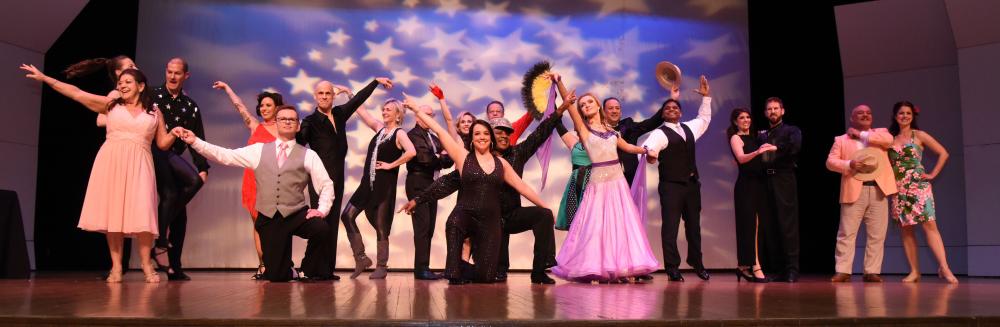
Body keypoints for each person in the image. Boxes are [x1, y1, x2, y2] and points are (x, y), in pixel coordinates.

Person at [21, 64, 178, 283]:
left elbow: (162, 143)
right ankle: (116, 267)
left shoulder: (154, 111)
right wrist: (45, 78)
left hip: (141, 164)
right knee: (114, 214)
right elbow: (77, 93)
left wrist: (175, 133)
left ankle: (146, 264)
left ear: (141, 86)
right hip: (112, 161)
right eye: (120, 83)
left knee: (143, 213)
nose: (122, 85)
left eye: (128, 82)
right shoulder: (111, 105)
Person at [401, 84, 570, 284]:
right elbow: (446, 177)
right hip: (477, 217)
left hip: (502, 217)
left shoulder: (511, 158)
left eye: (506, 132)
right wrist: (418, 199)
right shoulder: (467, 159)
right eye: (497, 132)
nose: (502, 135)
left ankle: (536, 271)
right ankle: (460, 269)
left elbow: (526, 179)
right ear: (480, 138)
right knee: (465, 238)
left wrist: (546, 207)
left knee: (541, 217)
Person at [177, 105, 335, 282]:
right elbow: (225, 155)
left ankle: (307, 269)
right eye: (283, 119)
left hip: (295, 214)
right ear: (276, 123)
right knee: (276, 276)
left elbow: (326, 184)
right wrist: (195, 141)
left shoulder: (308, 155)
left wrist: (321, 210)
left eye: (292, 119)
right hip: (269, 218)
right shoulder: (258, 150)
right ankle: (288, 271)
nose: (287, 122)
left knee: (321, 229)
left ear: (298, 126)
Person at [552, 75, 659, 283]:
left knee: (619, 226)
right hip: (598, 184)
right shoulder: (584, 130)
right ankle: (596, 266)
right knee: (596, 228)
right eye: (583, 105)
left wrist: (646, 150)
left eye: (589, 102)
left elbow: (628, 147)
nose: (586, 106)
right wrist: (559, 83)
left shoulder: (612, 131)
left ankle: (618, 267)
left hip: (617, 184)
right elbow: (570, 106)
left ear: (598, 105)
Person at [296, 77, 393, 279]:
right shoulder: (309, 121)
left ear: (333, 96)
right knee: (320, 222)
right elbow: (299, 143)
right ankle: (311, 268)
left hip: (337, 178)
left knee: (332, 224)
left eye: (328, 93)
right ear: (315, 97)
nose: (324, 96)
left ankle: (326, 270)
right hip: (320, 179)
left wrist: (375, 82)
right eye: (321, 93)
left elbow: (357, 100)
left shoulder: (339, 114)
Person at [641, 75, 714, 282]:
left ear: (681, 112)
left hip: (691, 185)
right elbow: (648, 152)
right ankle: (672, 267)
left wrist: (706, 98)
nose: (672, 109)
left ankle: (697, 263)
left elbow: (704, 119)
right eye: (667, 108)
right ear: (663, 114)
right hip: (671, 186)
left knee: (694, 226)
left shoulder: (690, 128)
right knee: (670, 227)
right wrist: (651, 157)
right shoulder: (659, 133)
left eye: (675, 107)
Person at [212, 80, 283, 279]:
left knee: (276, 225)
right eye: (262, 105)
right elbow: (239, 106)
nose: (264, 108)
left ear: (277, 108)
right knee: (258, 225)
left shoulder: (285, 128)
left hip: (275, 182)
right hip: (253, 181)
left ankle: (277, 264)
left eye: (268, 105)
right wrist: (227, 88)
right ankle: (263, 266)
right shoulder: (255, 125)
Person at [148, 57, 209, 281]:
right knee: (186, 185)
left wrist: (203, 167)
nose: (172, 77)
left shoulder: (190, 106)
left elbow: (197, 138)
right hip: (153, 154)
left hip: (172, 159)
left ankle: (174, 267)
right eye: (170, 72)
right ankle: (160, 236)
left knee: (180, 215)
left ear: (186, 76)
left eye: (177, 73)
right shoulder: (151, 96)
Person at [341, 99, 416, 279]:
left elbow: (411, 152)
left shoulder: (399, 133)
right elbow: (363, 112)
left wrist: (391, 165)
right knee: (347, 215)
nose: (384, 112)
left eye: (388, 110)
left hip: (384, 186)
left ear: (398, 115)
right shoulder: (379, 129)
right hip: (367, 184)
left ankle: (382, 266)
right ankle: (361, 258)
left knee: (381, 226)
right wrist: (350, 94)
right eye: (383, 109)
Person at [887, 101, 958, 283]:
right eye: (901, 113)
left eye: (908, 113)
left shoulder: (919, 135)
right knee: (906, 230)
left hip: (918, 186)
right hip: (899, 188)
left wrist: (933, 173)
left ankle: (944, 267)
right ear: (895, 116)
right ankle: (914, 271)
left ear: (913, 116)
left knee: (930, 226)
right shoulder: (889, 138)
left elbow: (943, 153)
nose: (905, 116)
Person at [826, 105, 897, 283]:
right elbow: (830, 162)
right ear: (852, 118)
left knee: (877, 234)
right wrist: (849, 164)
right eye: (860, 113)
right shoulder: (841, 140)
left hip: (878, 188)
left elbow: (889, 141)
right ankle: (843, 270)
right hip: (854, 187)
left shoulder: (881, 134)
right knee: (847, 233)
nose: (865, 115)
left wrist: (860, 135)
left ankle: (872, 271)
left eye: (868, 113)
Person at [404, 102, 454, 280]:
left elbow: (449, 160)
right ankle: (421, 269)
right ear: (417, 117)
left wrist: (440, 157)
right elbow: (425, 159)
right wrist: (440, 156)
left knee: (429, 228)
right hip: (418, 182)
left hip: (431, 183)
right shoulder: (412, 135)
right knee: (422, 227)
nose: (428, 118)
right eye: (425, 114)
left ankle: (424, 267)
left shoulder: (432, 137)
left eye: (431, 115)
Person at [758, 97, 803, 282]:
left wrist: (775, 148)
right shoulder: (761, 135)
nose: (773, 111)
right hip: (764, 180)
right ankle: (778, 269)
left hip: (783, 178)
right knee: (770, 225)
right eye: (769, 109)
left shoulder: (791, 130)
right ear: (765, 113)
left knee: (787, 224)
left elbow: (795, 147)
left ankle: (792, 269)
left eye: (776, 108)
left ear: (782, 111)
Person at [727, 107, 774, 283]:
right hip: (746, 185)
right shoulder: (735, 137)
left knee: (758, 226)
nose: (746, 120)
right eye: (742, 118)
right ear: (735, 121)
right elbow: (741, 158)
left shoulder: (756, 138)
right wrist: (757, 152)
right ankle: (754, 266)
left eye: (748, 117)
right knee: (749, 226)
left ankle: (743, 266)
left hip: (759, 184)